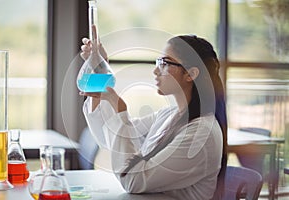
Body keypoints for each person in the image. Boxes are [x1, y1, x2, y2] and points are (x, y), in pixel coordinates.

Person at [79, 33, 227, 200]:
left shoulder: (201, 134)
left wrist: (120, 108)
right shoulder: (168, 116)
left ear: (190, 74)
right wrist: (100, 67)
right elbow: (111, 138)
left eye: (164, 63)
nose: (156, 70)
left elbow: (133, 180)